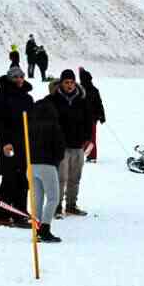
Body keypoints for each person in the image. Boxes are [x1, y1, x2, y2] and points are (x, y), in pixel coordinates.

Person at [0, 69, 34, 228]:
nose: (20, 79)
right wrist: (4, 142)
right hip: (9, 145)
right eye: (16, 77)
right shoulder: (1, 97)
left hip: (25, 144)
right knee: (9, 179)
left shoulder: (27, 98)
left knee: (22, 179)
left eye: (22, 76)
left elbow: (32, 121)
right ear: (9, 79)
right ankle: (2, 215)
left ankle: (19, 213)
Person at [48, 69, 92, 217]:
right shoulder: (53, 99)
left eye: (72, 82)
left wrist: (87, 137)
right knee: (61, 178)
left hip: (78, 145)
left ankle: (72, 205)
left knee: (75, 178)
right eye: (66, 82)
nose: (69, 85)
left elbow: (88, 119)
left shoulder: (82, 99)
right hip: (61, 147)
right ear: (61, 83)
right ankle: (57, 207)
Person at [27, 94, 65, 242]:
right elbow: (60, 148)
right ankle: (45, 229)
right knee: (53, 198)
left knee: (37, 199)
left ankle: (36, 230)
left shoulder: (29, 125)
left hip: (31, 165)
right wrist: (56, 159)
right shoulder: (54, 126)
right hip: (47, 165)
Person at [80, 68, 106, 163]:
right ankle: (91, 155)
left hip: (84, 118)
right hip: (92, 118)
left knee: (83, 137)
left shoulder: (80, 90)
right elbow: (99, 104)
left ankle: (88, 154)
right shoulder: (94, 90)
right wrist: (102, 116)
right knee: (91, 137)